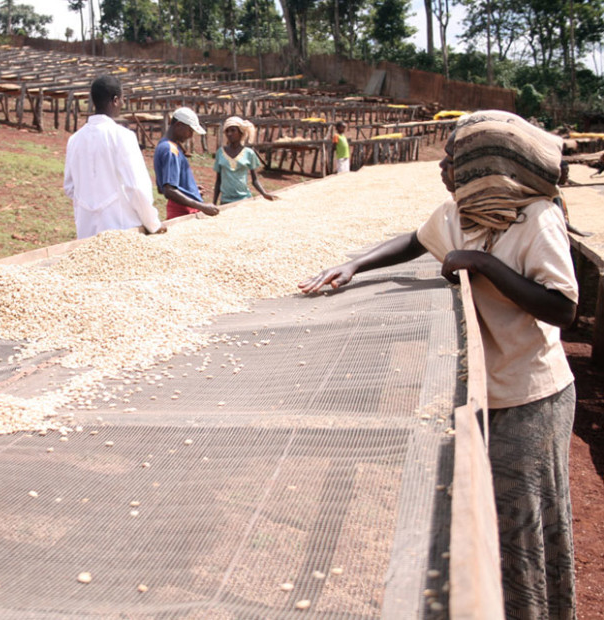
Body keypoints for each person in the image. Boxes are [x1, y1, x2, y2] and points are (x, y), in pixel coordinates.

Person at [299, 110, 577, 619]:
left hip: (531, 394)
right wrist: (355, 264)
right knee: (486, 515)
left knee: (522, 521)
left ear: (483, 165)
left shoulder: (535, 216)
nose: (442, 166)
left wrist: (484, 265)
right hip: (489, 390)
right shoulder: (460, 211)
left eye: (453, 158)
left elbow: (563, 307)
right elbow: (414, 240)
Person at [63, 74, 166, 239]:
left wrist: (89, 202)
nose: (123, 104)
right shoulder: (123, 136)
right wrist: (153, 224)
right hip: (121, 232)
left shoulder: (74, 140)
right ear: (116, 100)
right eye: (123, 99)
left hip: (85, 233)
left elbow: (69, 187)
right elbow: (137, 188)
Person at [153, 107, 220, 220]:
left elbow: (164, 187)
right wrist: (202, 206)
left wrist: (190, 189)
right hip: (182, 211)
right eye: (190, 130)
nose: (190, 135)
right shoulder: (171, 150)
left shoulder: (165, 145)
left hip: (182, 208)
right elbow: (169, 190)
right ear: (179, 125)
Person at [212, 116, 278, 205]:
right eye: (227, 131)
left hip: (243, 199)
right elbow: (218, 180)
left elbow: (254, 180)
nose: (229, 134)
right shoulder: (220, 152)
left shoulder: (249, 153)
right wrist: (214, 203)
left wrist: (264, 193)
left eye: (233, 130)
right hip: (226, 200)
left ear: (241, 132)